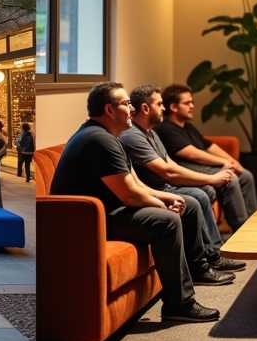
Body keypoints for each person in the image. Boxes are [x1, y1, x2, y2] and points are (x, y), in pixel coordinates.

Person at [51, 82, 222, 323]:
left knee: (188, 203)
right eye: (125, 104)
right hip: (87, 223)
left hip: (107, 212)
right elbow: (129, 195)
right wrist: (162, 206)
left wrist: (169, 197)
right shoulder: (99, 140)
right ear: (110, 110)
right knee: (169, 221)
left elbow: (136, 184)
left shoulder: (109, 136)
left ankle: (198, 270)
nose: (131, 109)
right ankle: (179, 304)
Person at [120, 84, 245, 282]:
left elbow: (169, 163)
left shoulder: (150, 132)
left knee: (203, 194)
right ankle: (205, 262)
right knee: (197, 198)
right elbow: (168, 171)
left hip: (164, 186)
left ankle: (213, 254)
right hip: (157, 188)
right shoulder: (132, 136)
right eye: (160, 104)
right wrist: (211, 178)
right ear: (145, 108)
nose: (163, 108)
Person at [155, 83, 257, 231]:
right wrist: (224, 163)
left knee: (246, 175)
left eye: (192, 102)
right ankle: (242, 230)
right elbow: (190, 153)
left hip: (201, 167)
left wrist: (233, 162)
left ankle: (253, 224)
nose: (192, 106)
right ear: (173, 107)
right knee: (229, 178)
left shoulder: (188, 127)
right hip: (186, 168)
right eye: (187, 103)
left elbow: (210, 146)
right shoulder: (166, 128)